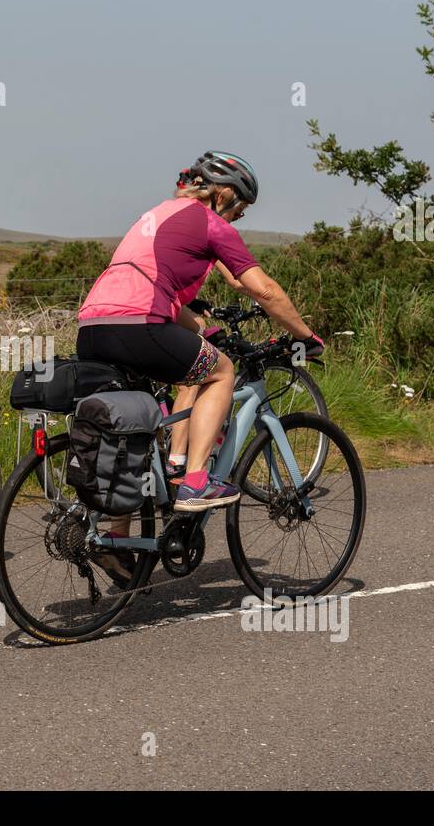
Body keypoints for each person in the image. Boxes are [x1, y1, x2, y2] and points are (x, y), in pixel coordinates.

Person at [75, 151, 321, 583]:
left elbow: (157, 287)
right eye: (241, 206)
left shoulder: (157, 213)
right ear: (224, 193)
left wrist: (201, 330)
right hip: (139, 323)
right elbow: (262, 289)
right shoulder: (210, 222)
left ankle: (116, 540)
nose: (240, 216)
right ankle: (194, 481)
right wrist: (304, 335)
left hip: (94, 324)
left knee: (132, 425)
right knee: (221, 372)